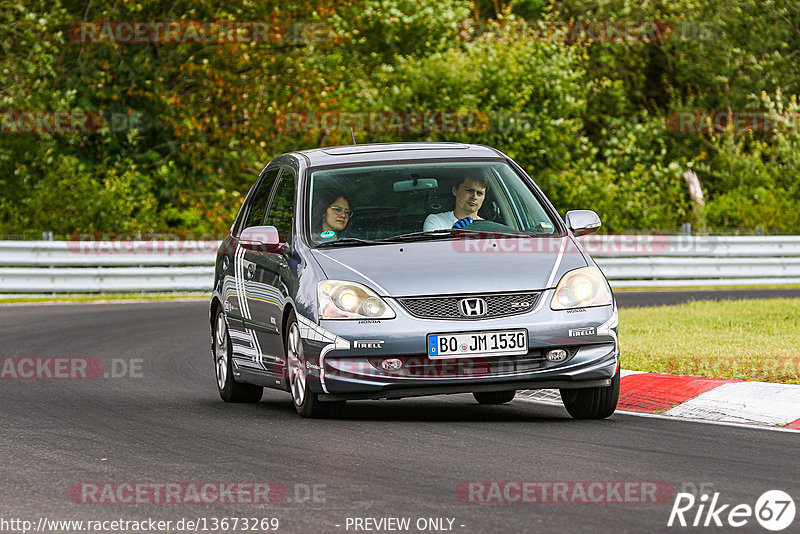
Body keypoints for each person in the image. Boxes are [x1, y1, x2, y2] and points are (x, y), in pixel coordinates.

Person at [423, 176, 489, 231]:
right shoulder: (436, 221)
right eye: (469, 191)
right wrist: (454, 235)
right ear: (455, 191)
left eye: (479, 193)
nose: (474, 197)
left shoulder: (487, 227)